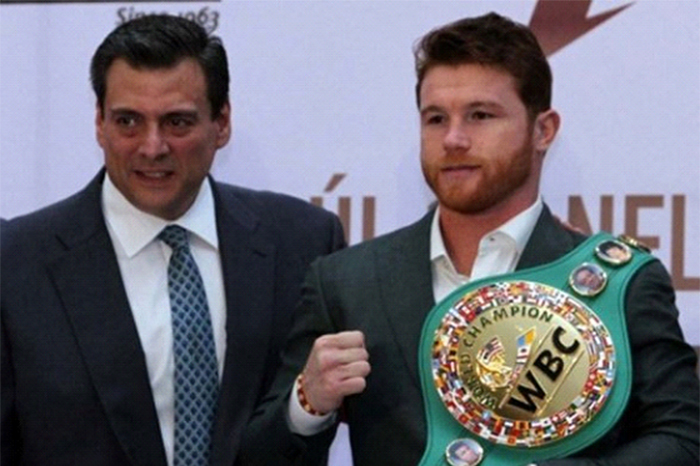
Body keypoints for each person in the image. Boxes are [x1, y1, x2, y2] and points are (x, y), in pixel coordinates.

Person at [239, 12, 699, 466]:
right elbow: (257, 457)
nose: (454, 139)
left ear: (543, 130)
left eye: (480, 115)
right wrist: (307, 404)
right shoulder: (346, 281)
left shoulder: (616, 284)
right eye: (436, 118)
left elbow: (683, 440)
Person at [0, 15, 345, 466]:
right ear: (99, 123)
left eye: (177, 122)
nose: (152, 147)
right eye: (128, 121)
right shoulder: (16, 263)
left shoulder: (304, 242)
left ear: (222, 123)